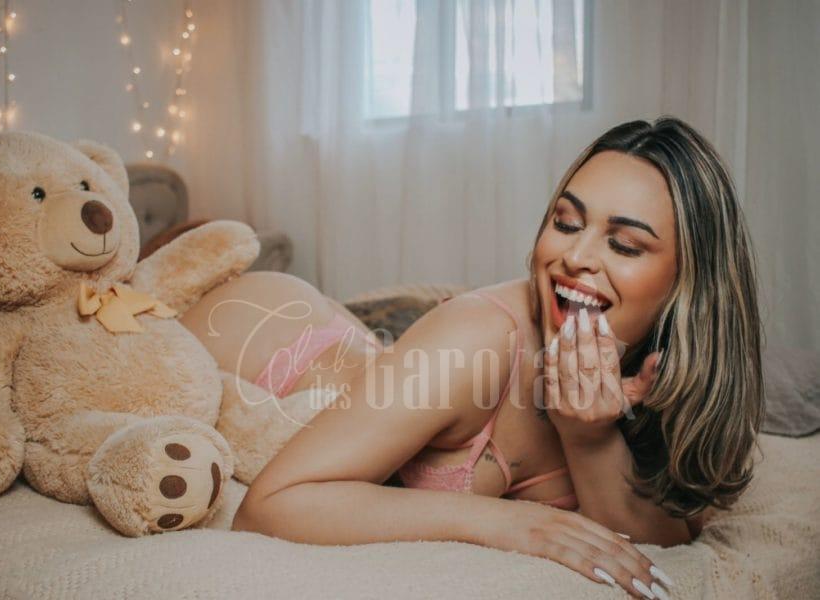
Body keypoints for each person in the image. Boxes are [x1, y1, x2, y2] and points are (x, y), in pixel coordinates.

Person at [179, 117, 763, 599]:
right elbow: (271, 506)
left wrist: (589, 437)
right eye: (566, 222)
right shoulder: (478, 340)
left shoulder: (675, 376)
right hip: (253, 329)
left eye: (625, 244)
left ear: (690, 284)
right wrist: (504, 521)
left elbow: (661, 538)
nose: (576, 256)